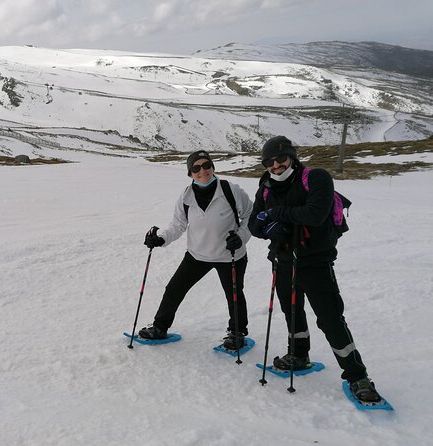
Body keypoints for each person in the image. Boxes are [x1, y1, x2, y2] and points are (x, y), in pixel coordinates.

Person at [247, 135, 382, 403]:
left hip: (315, 262)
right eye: (269, 162)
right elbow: (253, 224)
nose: (276, 166)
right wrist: (267, 228)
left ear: (292, 157)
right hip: (283, 261)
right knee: (292, 312)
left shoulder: (316, 177)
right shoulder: (265, 187)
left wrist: (275, 215)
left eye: (281, 159)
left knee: (331, 318)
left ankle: (357, 376)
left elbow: (315, 214)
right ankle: (298, 355)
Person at [138, 150, 253, 350]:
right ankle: (159, 327)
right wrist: (161, 239)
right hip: (197, 255)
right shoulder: (186, 196)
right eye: (196, 168)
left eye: (206, 165)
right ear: (190, 173)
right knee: (174, 289)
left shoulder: (230, 190)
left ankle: (237, 333)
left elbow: (251, 215)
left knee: (234, 295)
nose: (203, 171)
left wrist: (241, 237)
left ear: (212, 167)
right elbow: (178, 225)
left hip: (229, 255)